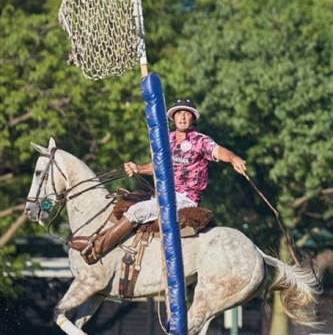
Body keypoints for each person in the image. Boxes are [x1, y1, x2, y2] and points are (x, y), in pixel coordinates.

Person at [69, 98, 247, 264]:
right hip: (165, 194)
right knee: (126, 201)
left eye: (187, 113)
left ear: (193, 118)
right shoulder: (167, 140)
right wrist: (138, 168)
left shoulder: (201, 140)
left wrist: (232, 158)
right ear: (173, 118)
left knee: (138, 210)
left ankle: (97, 248)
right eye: (178, 113)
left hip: (186, 198)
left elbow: (219, 151)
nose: (182, 116)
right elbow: (157, 166)